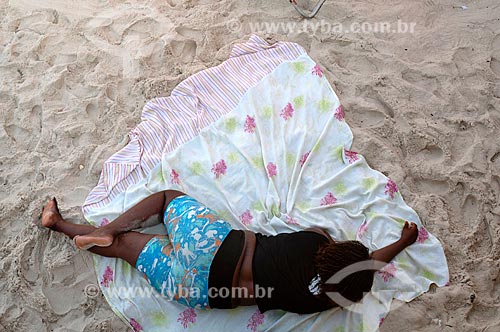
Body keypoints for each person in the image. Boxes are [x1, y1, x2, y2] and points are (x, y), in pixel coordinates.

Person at [41, 190, 418, 313]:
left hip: (217, 246)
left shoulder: (314, 241)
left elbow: (365, 261)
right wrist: (399, 247)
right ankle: (57, 225)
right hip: (198, 291)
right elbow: (366, 269)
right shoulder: (324, 301)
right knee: (127, 252)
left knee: (167, 199)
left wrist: (403, 239)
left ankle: (102, 229)